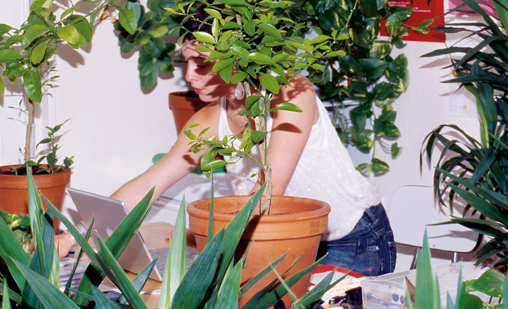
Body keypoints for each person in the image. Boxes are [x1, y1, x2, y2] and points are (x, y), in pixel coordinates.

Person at [111, 39, 396, 277]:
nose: (188, 76)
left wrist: (210, 237)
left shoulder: (292, 93)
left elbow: (268, 193)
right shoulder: (209, 120)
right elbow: (148, 185)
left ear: (236, 59)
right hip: (287, 238)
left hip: (352, 239)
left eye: (202, 63)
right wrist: (76, 238)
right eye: (185, 63)